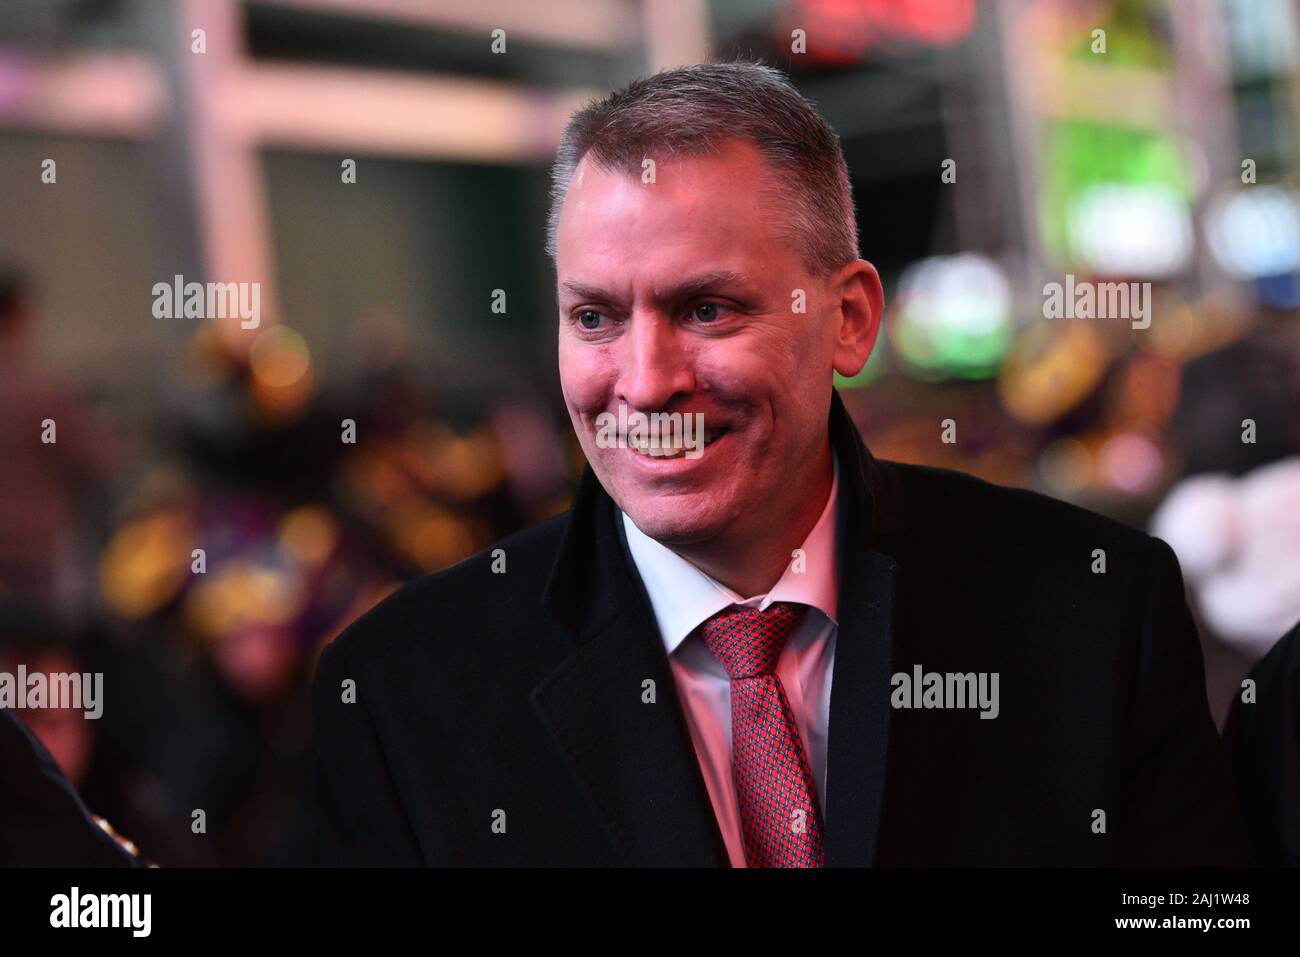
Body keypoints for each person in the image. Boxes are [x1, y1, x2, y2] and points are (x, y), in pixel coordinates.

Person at [310, 61, 1245, 866]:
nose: (644, 382)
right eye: (594, 316)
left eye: (707, 309)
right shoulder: (402, 692)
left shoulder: (1093, 609)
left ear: (849, 320)